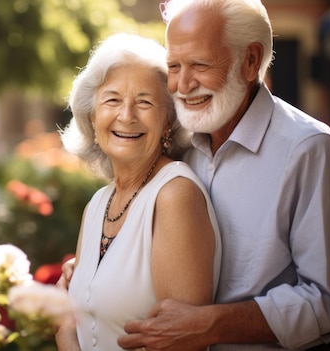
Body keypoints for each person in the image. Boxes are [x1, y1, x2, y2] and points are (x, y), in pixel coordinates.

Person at [101, 0, 330, 350]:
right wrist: (96, 270)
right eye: (174, 66)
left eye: (199, 65)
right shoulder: (179, 145)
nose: (183, 85)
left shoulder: (309, 149)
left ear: (250, 61)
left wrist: (213, 325)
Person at [54, 32, 222, 351]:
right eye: (112, 99)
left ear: (169, 120)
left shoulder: (174, 196)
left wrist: (64, 336)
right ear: (92, 115)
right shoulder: (97, 204)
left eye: (144, 101)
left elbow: (182, 347)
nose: (127, 115)